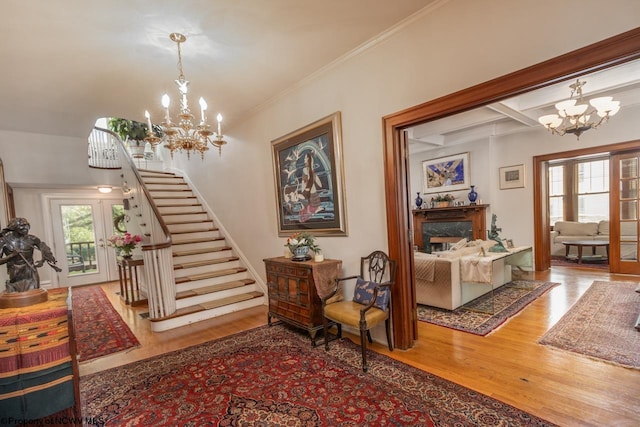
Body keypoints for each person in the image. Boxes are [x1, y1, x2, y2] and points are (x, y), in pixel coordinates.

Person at [0, 217, 61, 293]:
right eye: (22, 226)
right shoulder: (4, 241)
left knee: (35, 293)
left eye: (27, 225)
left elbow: (45, 251)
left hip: (30, 270)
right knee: (17, 297)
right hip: (15, 272)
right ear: (14, 228)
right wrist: (12, 255)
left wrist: (42, 260)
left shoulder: (32, 239)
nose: (26, 228)